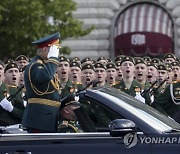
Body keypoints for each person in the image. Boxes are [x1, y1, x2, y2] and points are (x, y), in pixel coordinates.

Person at [21, 32, 61, 133]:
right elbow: (45, 76)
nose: (57, 53)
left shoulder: (44, 65)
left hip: (47, 118)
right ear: (45, 49)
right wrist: (53, 59)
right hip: (39, 120)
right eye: (55, 50)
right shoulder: (35, 65)